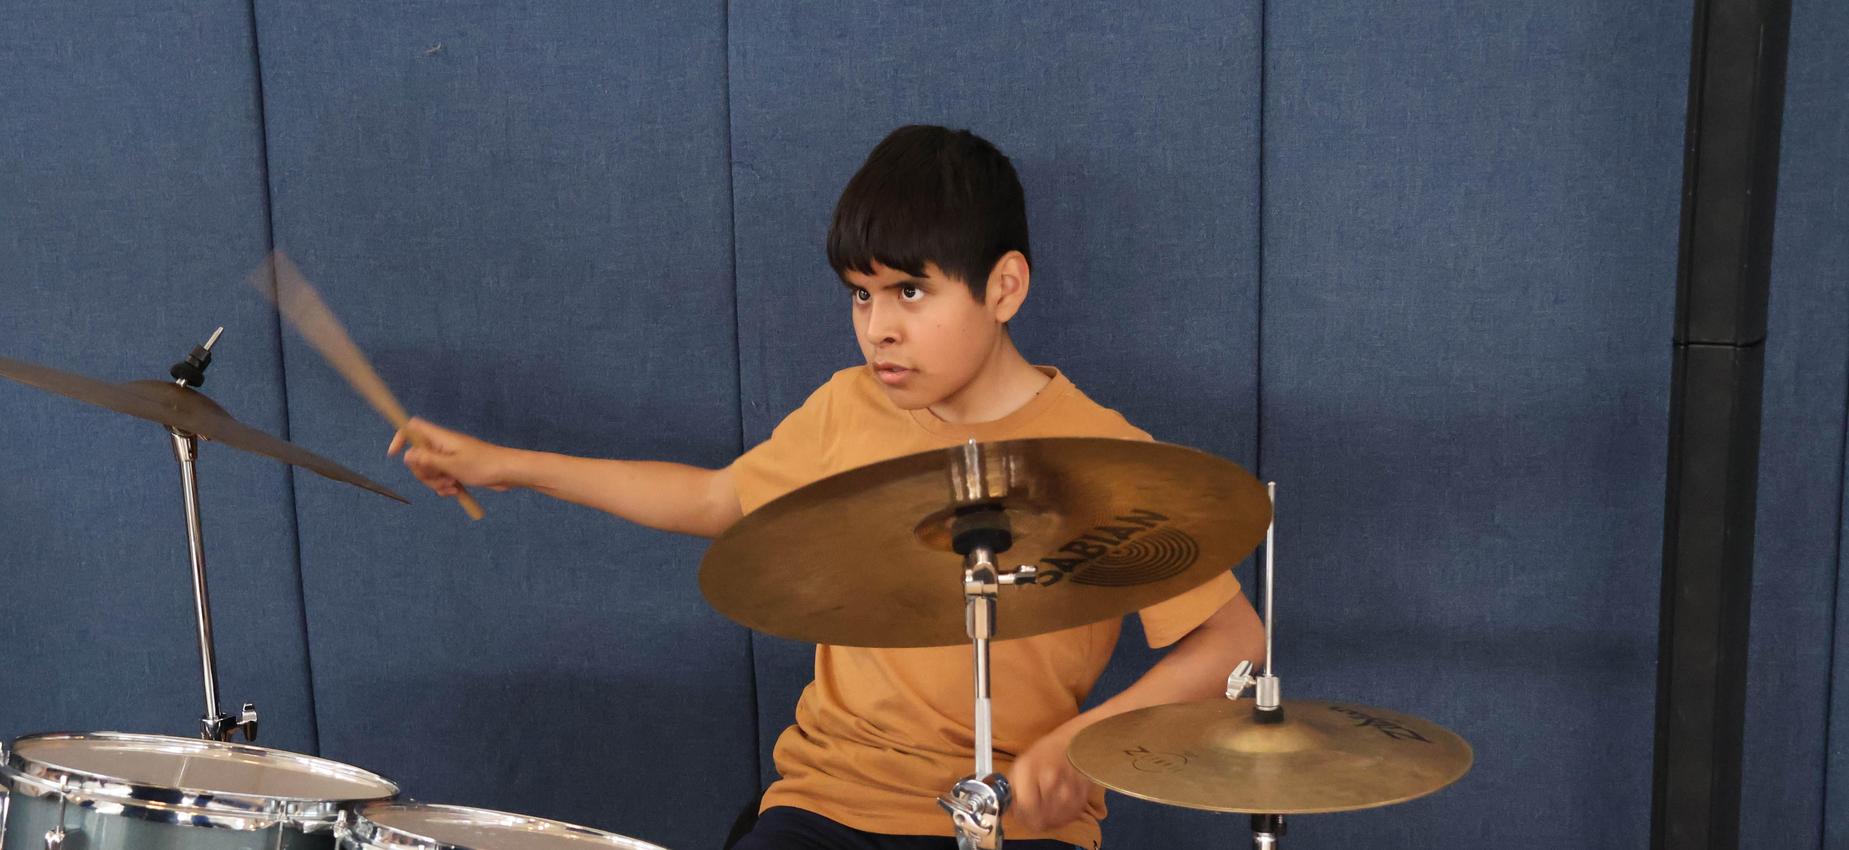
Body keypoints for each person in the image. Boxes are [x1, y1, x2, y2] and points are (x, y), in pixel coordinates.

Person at [390, 124, 1267, 850]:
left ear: (1003, 287)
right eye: (859, 295)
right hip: (828, 800)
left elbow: (1233, 639)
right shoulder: (849, 408)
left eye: (910, 292)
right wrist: (508, 465)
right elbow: (714, 501)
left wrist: (1079, 748)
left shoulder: (1104, 456)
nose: (877, 329)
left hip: (1015, 817)